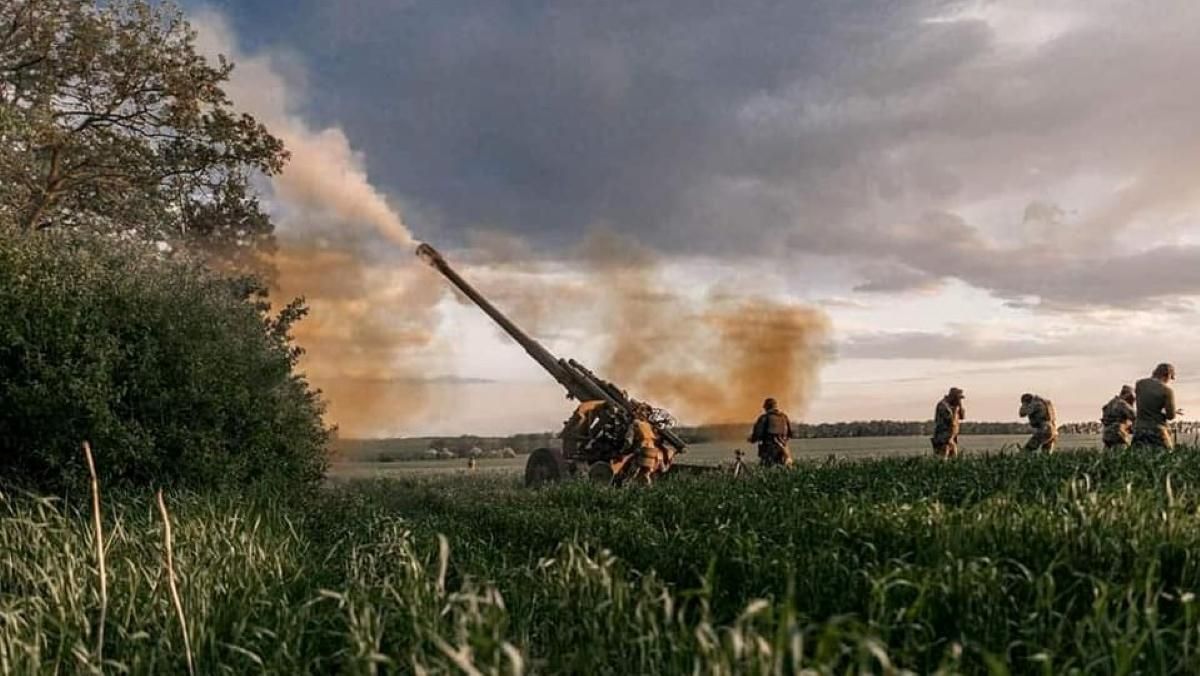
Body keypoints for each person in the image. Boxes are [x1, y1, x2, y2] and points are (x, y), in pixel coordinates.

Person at [1133, 363, 1180, 449]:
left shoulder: (1139, 384)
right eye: (1170, 378)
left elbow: (1146, 403)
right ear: (1168, 375)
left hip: (1139, 429)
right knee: (1166, 458)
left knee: (1139, 459)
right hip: (1157, 431)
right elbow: (1171, 416)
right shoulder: (1167, 390)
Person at [748, 397, 793, 467]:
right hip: (784, 449)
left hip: (769, 450)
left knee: (766, 469)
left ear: (766, 407)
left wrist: (751, 439)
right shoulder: (784, 417)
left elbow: (757, 434)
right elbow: (790, 434)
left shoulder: (764, 418)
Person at [930, 387, 966, 459]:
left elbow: (962, 417)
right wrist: (955, 411)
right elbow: (951, 421)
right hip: (943, 440)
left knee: (954, 462)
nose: (958, 401)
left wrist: (960, 405)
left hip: (951, 440)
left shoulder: (953, 406)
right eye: (957, 399)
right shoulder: (943, 406)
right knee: (942, 461)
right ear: (953, 397)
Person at [1101, 385, 1137, 450]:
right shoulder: (1122, 404)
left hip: (1107, 435)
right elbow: (1135, 417)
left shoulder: (1110, 403)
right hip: (1119, 435)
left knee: (1107, 457)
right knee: (1121, 456)